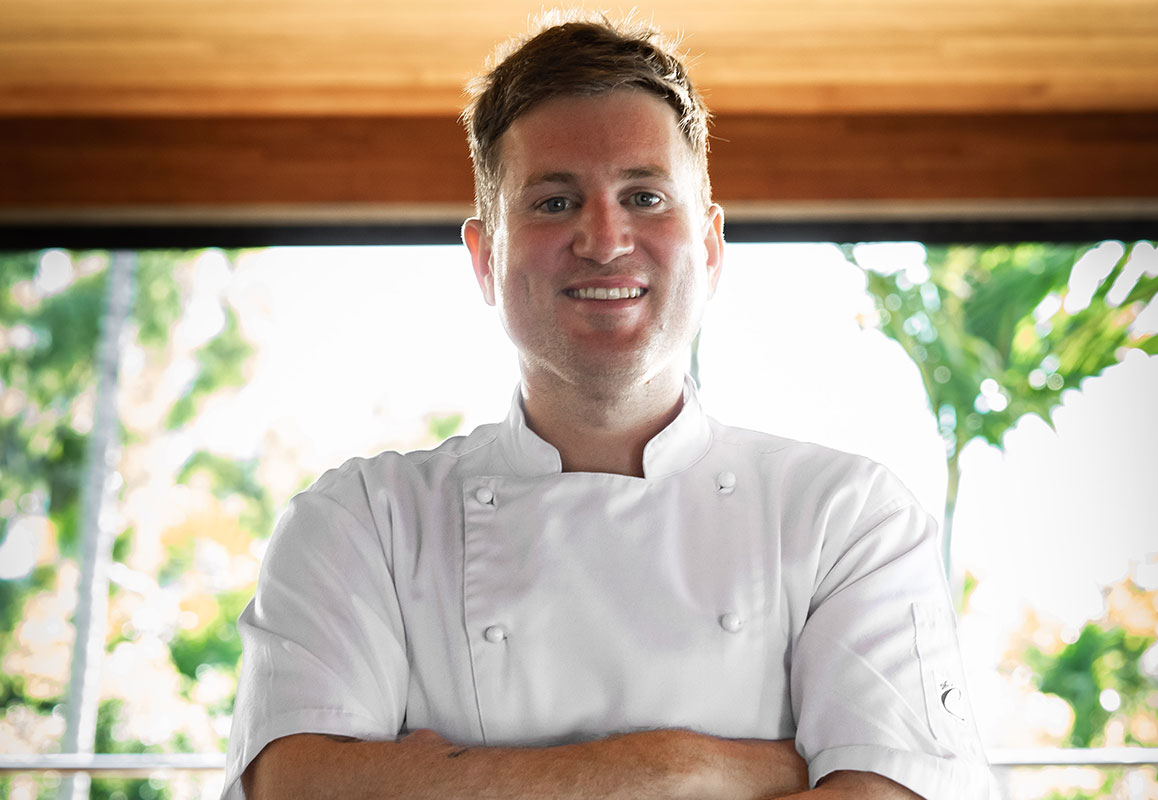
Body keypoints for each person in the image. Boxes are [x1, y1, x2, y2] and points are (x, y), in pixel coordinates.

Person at [223, 11, 994, 800]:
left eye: (646, 197)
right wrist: (681, 770)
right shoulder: (362, 522)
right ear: (486, 259)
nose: (603, 238)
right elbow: (296, 787)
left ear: (711, 247)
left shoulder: (845, 517)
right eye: (553, 203)